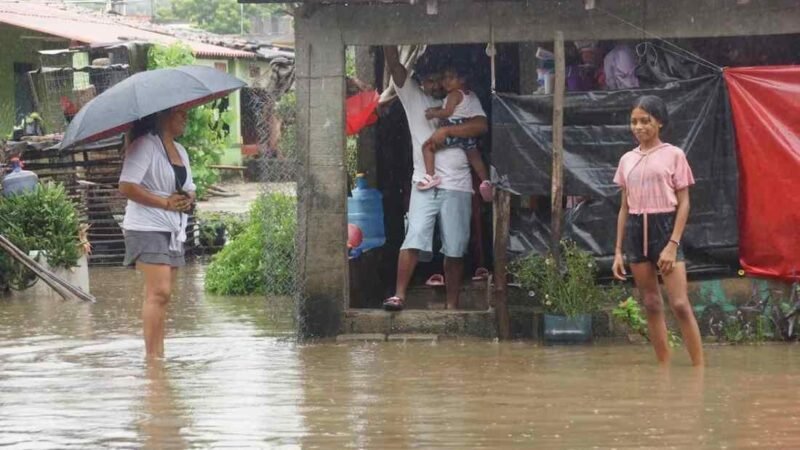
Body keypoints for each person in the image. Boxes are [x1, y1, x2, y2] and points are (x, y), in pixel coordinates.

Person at [381, 46, 488, 311]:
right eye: (430, 79)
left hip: (459, 185)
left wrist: (448, 130)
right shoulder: (414, 98)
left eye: (441, 79)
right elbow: (395, 67)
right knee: (413, 238)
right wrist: (386, 37)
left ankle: (452, 305)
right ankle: (399, 296)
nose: (437, 84)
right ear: (420, 81)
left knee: (455, 248)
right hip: (424, 185)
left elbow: (481, 126)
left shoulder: (462, 100)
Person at [612, 95, 704, 367]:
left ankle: (699, 369)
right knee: (651, 303)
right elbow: (624, 207)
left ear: (659, 122)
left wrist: (673, 243)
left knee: (679, 304)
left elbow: (685, 202)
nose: (639, 127)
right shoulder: (627, 159)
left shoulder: (674, 154)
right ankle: (663, 368)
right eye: (634, 122)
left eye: (645, 121)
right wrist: (618, 251)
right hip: (636, 230)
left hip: (665, 228)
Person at [118, 107, 195, 360]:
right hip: (146, 226)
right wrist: (165, 203)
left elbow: (189, 187)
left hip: (173, 228)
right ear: (164, 116)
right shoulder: (144, 146)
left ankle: (159, 355)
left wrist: (188, 199)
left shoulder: (181, 150)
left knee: (164, 296)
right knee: (158, 292)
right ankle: (152, 359)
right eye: (180, 114)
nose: (186, 119)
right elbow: (127, 185)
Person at [420, 65, 493, 202]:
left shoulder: (453, 94)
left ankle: (430, 176)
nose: (446, 82)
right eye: (444, 78)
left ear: (462, 79)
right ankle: (486, 181)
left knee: (427, 147)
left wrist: (434, 113)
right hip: (467, 133)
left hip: (453, 128)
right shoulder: (469, 95)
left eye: (451, 78)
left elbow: (447, 112)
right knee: (474, 156)